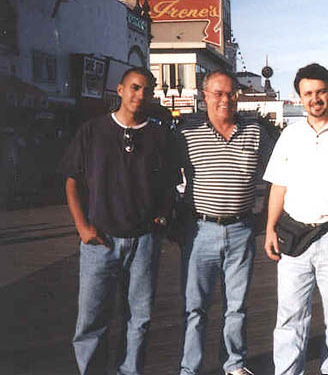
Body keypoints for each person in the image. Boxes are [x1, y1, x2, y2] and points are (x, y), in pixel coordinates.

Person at [62, 67, 176, 375]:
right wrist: (82, 227)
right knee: (91, 319)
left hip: (144, 241)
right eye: (135, 88)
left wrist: (163, 215)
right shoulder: (93, 130)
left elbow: (170, 182)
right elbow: (72, 180)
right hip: (101, 240)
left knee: (139, 318)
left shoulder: (158, 135)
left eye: (146, 90)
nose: (140, 95)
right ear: (121, 90)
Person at [263, 63, 328, 375]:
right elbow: (278, 185)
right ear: (299, 97)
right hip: (294, 238)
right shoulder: (290, 134)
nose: (315, 98)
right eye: (308, 93)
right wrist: (270, 228)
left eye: (321, 91)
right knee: (289, 317)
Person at [177, 70, 273, 375]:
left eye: (230, 93)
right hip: (200, 231)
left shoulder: (256, 132)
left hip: (242, 230)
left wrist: (265, 217)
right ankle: (190, 368)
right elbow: (163, 176)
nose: (225, 100)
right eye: (217, 93)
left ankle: (234, 364)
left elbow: (277, 177)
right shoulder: (186, 135)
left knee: (237, 306)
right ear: (204, 96)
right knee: (195, 308)